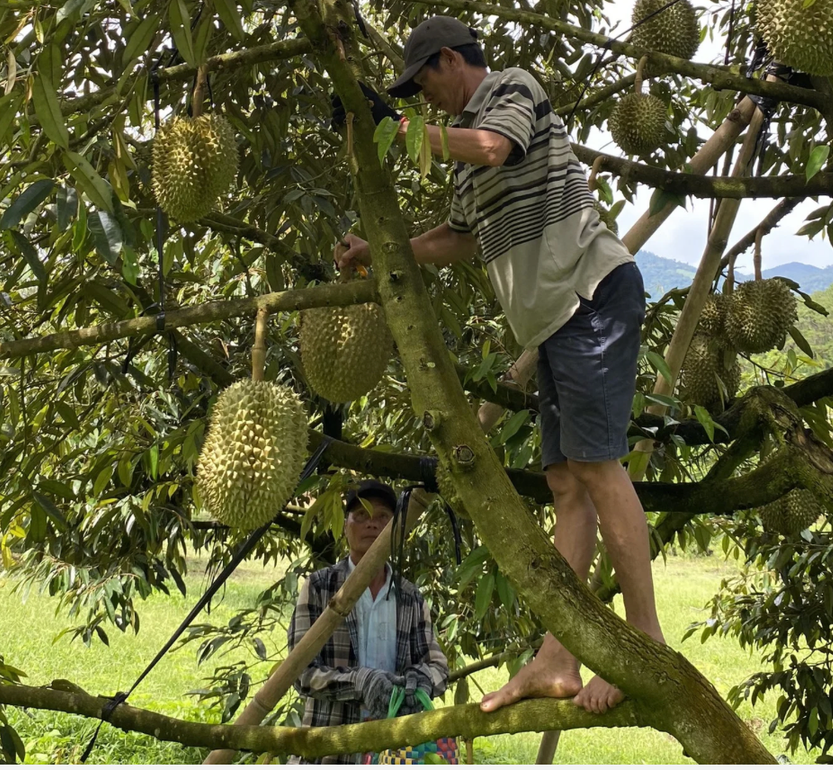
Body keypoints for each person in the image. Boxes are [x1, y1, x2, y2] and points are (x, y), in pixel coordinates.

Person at [333, 16, 664, 715]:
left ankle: (646, 647)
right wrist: (379, 250)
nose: (426, 103)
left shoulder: (512, 90)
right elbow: (457, 238)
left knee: (600, 471)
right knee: (566, 484)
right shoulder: (459, 155)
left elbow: (494, 145)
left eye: (425, 85)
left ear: (451, 60)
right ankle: (557, 655)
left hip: (590, 296)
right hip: (552, 325)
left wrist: (397, 130)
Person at [287, 480, 449, 763]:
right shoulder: (319, 589)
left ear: (395, 529)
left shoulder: (409, 597)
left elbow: (436, 666)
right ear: (345, 526)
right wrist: (358, 682)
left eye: (383, 517)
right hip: (330, 749)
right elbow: (300, 673)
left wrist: (417, 682)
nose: (372, 525)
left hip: (396, 751)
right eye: (361, 516)